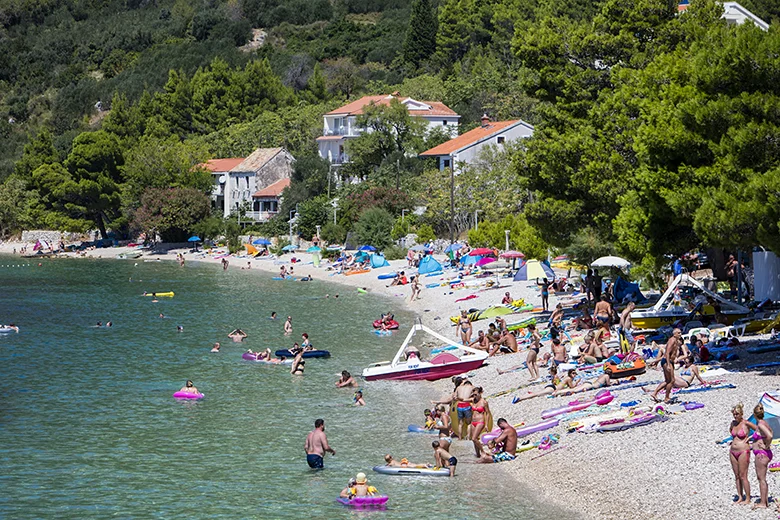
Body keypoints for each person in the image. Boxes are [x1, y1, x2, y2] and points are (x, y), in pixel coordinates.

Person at [728, 403, 755, 505]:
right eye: (734, 414)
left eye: (737, 414)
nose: (735, 416)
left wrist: (750, 438)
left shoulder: (746, 423)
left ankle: (747, 498)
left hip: (743, 451)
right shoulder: (733, 423)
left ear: (741, 413)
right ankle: (740, 496)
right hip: (733, 451)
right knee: (737, 475)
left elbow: (759, 429)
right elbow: (731, 432)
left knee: (743, 475)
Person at [752, 403, 774, 509]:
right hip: (763, 453)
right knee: (761, 478)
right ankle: (764, 500)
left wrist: (766, 445)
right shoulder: (764, 423)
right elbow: (771, 431)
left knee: (761, 479)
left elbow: (770, 435)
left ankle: (763, 503)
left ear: (755, 415)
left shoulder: (760, 424)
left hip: (762, 454)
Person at [654, 328, 682, 403]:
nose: (680, 334)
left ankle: (654, 393)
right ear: (674, 334)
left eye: (680, 333)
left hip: (669, 361)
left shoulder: (676, 341)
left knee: (667, 380)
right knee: (672, 380)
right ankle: (666, 397)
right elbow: (667, 353)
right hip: (667, 361)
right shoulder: (672, 340)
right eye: (678, 333)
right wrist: (669, 364)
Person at [470, 387, 490, 457]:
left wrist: (486, 425)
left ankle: (483, 451)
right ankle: (478, 455)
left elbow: (487, 413)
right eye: (473, 395)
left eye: (476, 394)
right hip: (473, 422)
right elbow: (463, 400)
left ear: (480, 393)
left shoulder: (484, 402)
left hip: (480, 421)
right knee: (474, 440)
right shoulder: (473, 401)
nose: (474, 396)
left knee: (474, 438)